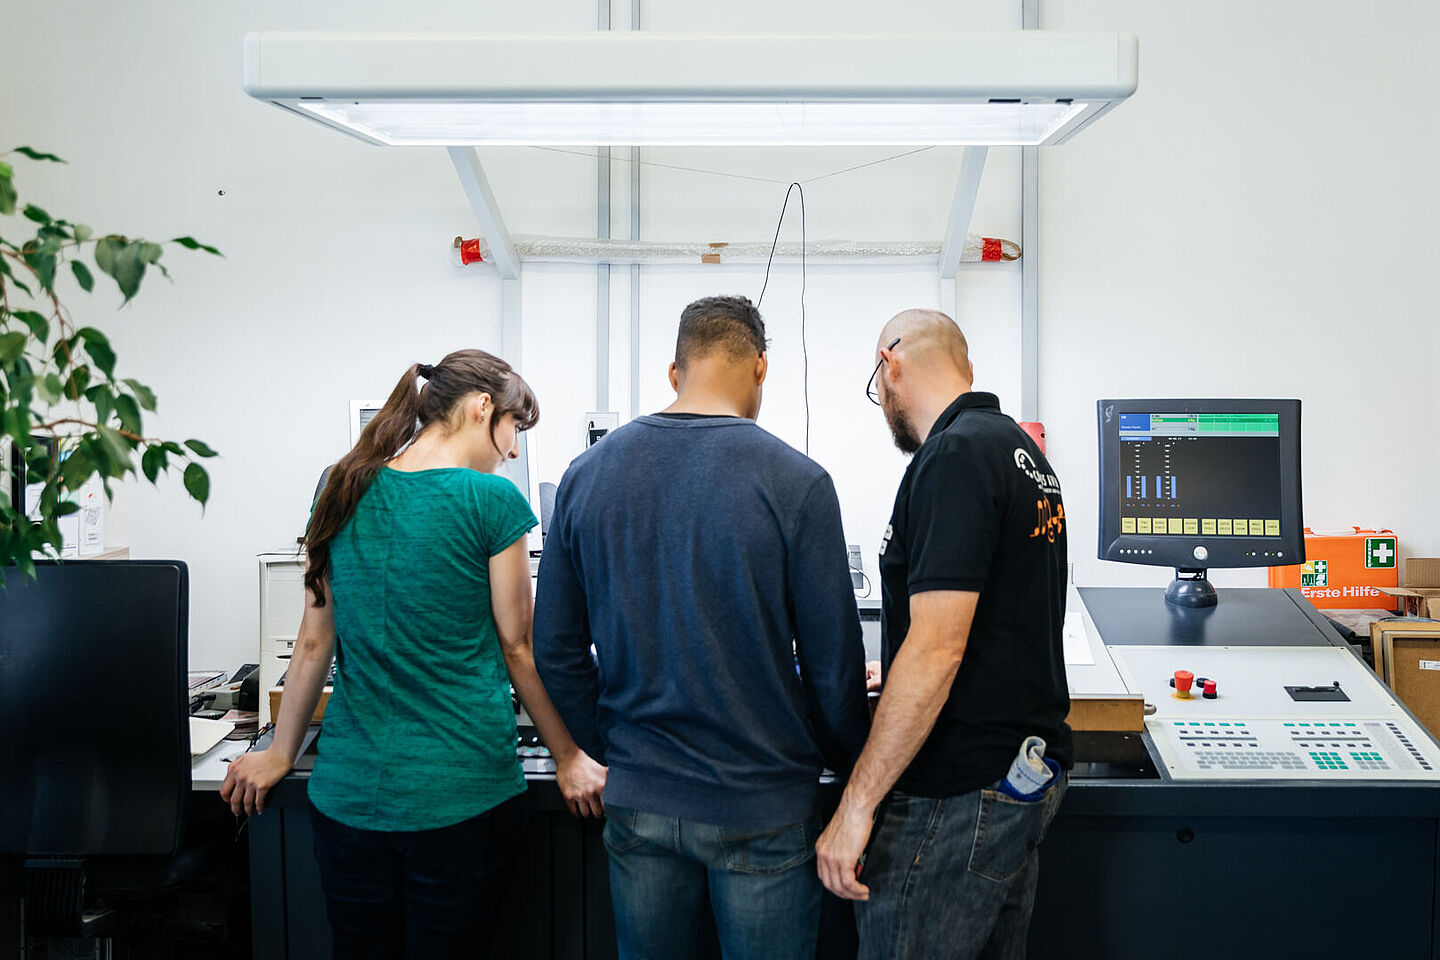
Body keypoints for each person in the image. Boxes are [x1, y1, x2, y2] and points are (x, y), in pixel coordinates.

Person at [222, 349, 606, 959]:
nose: (511, 452)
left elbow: (316, 637)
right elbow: (517, 646)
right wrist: (568, 758)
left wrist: (279, 753)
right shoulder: (493, 502)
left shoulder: (340, 485)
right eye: (514, 431)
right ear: (483, 408)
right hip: (462, 797)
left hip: (349, 801)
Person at [533, 295, 870, 959]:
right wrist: (849, 772)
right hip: (764, 804)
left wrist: (615, 750)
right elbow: (833, 664)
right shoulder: (797, 482)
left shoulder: (585, 478)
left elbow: (556, 649)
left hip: (640, 802)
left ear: (673, 371)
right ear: (761, 368)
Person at [815, 309, 1072, 960]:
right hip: (1019, 776)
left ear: (889, 363)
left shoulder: (952, 456)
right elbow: (994, 621)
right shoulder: (1021, 452)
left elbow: (940, 646)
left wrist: (855, 807)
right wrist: (901, 666)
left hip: (958, 793)